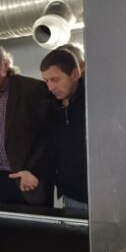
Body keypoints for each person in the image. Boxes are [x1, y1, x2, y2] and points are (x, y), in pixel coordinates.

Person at [0, 43, 53, 206]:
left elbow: (51, 135)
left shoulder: (33, 89)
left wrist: (35, 171)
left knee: (36, 230)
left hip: (28, 178)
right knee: (5, 229)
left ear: (6, 65)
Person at [40, 49, 87, 210]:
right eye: (46, 81)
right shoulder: (51, 108)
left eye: (55, 79)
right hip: (71, 195)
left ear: (75, 74)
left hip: (103, 195)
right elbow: (51, 151)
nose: (50, 87)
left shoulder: (95, 102)